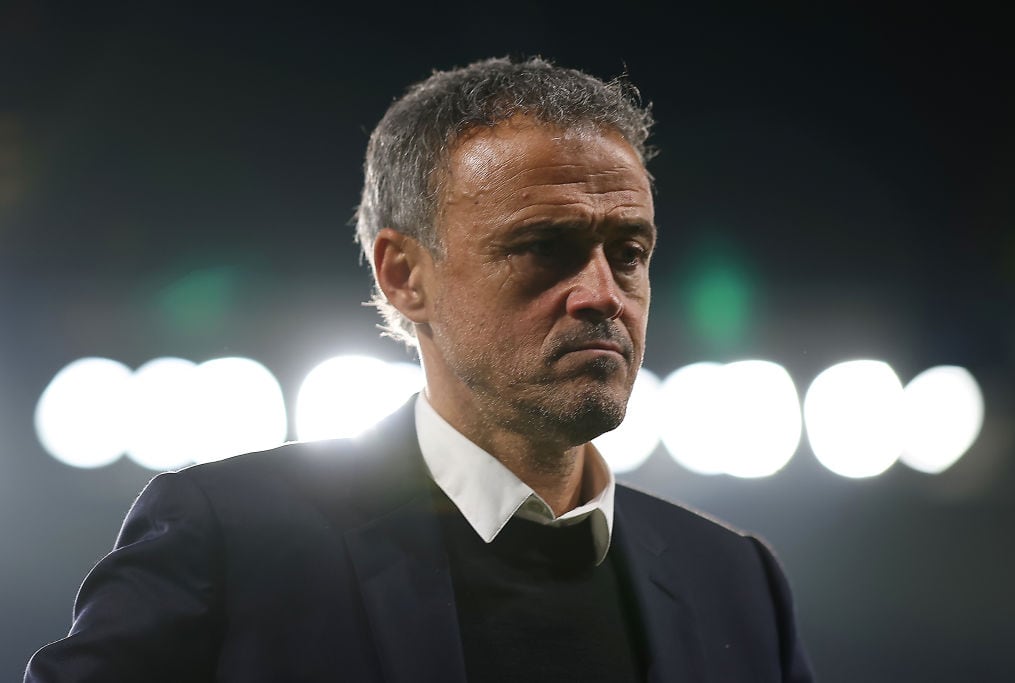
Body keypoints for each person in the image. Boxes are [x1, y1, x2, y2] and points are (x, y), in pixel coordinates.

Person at [25, 56, 814, 682]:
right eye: (546, 248)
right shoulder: (228, 540)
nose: (603, 295)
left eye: (629, 253)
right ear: (404, 274)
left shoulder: (736, 581)